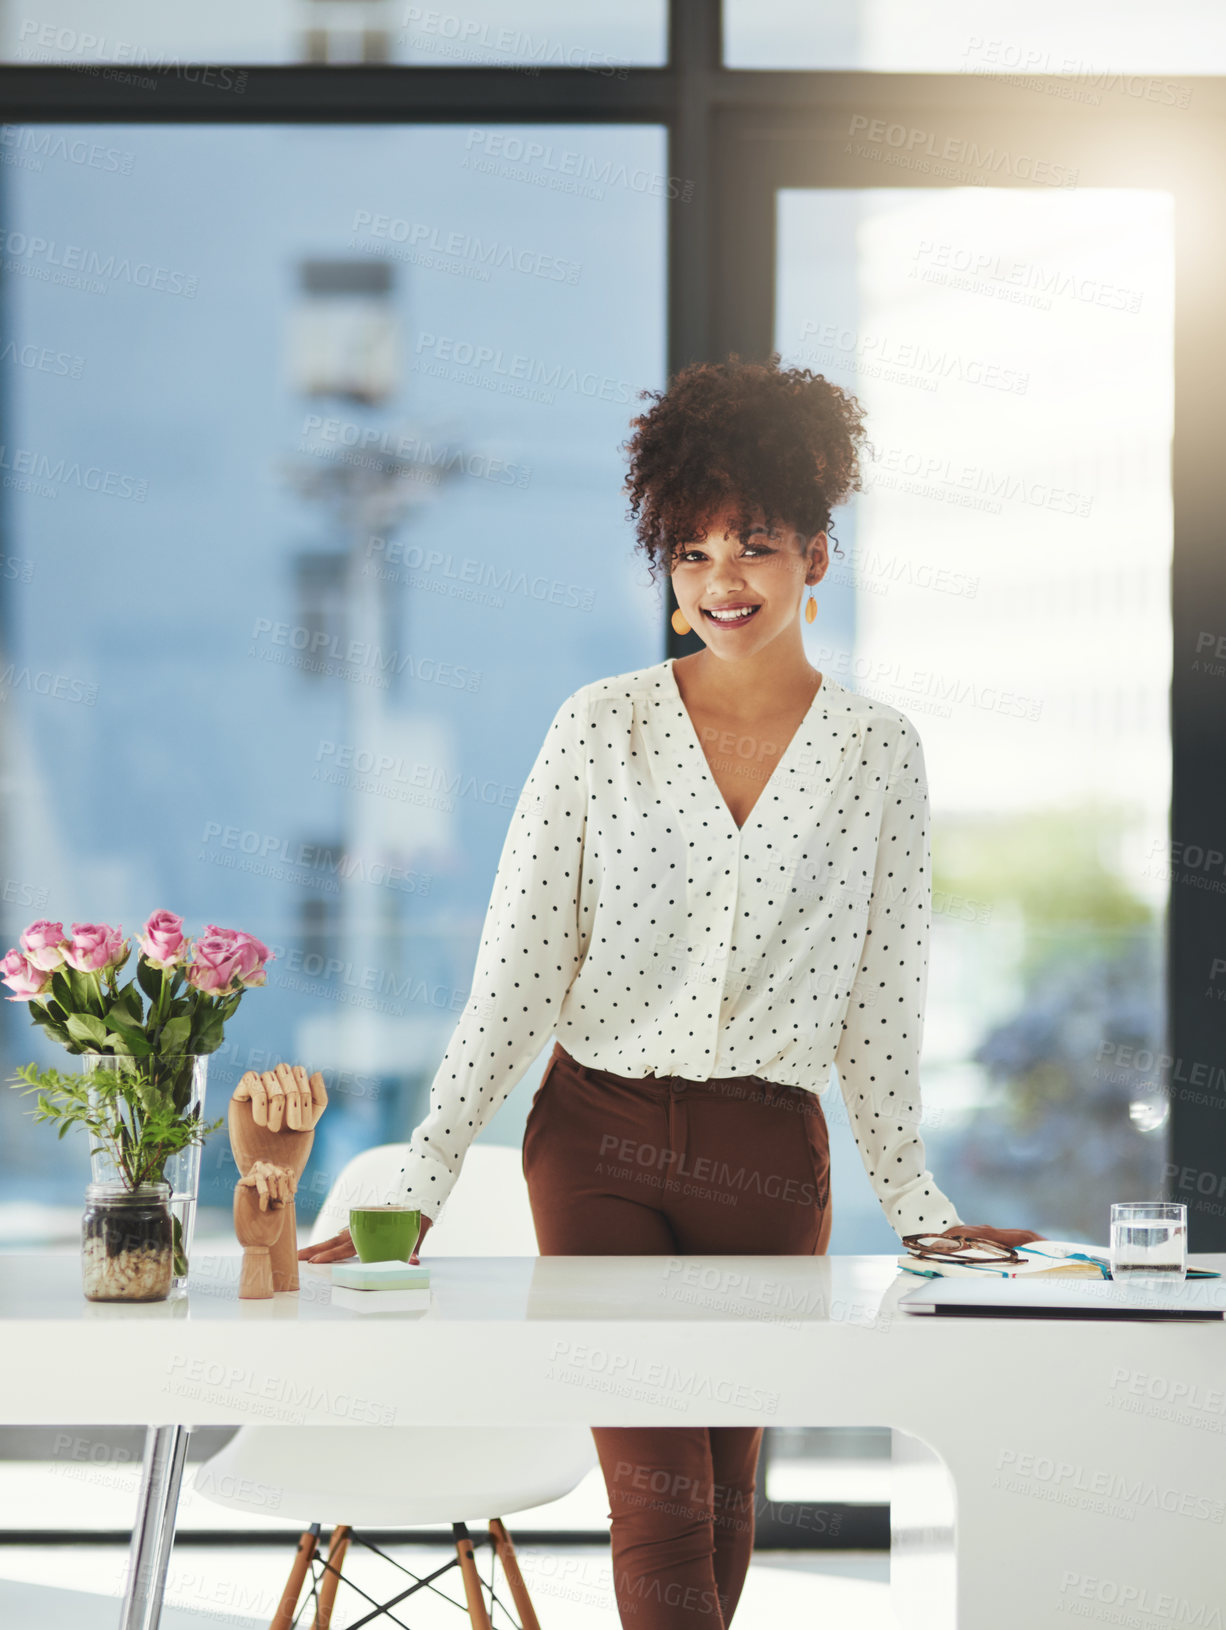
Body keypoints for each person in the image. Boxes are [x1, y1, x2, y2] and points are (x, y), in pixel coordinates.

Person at [302, 353, 1042, 1627]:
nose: (720, 584)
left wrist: (918, 1205)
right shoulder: (600, 727)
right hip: (598, 1146)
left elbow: (880, 1006)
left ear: (819, 553)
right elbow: (514, 978)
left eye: (750, 547)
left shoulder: (878, 753)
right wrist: (416, 1185)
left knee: (726, 1505)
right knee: (657, 1503)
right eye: (689, 555)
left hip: (769, 1153)